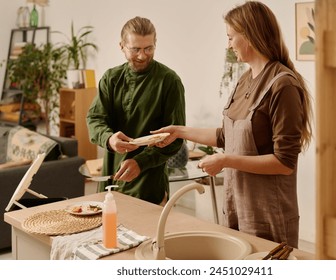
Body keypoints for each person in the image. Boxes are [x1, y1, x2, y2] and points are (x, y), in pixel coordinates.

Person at [152, 1, 313, 248]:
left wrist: (226, 160)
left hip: (269, 212)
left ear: (250, 35)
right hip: (238, 205)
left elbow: (284, 163)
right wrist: (179, 131)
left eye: (230, 37)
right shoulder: (244, 80)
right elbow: (227, 136)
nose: (228, 45)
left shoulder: (283, 85)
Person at [86, 16, 186, 205]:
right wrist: (108, 138)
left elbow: (176, 139)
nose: (142, 55)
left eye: (149, 48)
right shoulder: (111, 79)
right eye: (135, 49)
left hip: (149, 184)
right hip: (111, 178)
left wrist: (141, 162)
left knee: (148, 234)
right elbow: (95, 119)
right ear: (122, 46)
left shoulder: (169, 81)